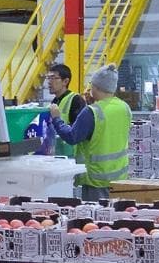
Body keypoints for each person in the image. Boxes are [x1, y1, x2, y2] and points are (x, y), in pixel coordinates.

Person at [49, 64, 130, 201]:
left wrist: (57, 119)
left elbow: (72, 137)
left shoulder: (92, 112)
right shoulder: (124, 107)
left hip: (96, 179)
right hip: (119, 177)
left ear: (97, 87)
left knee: (97, 219)